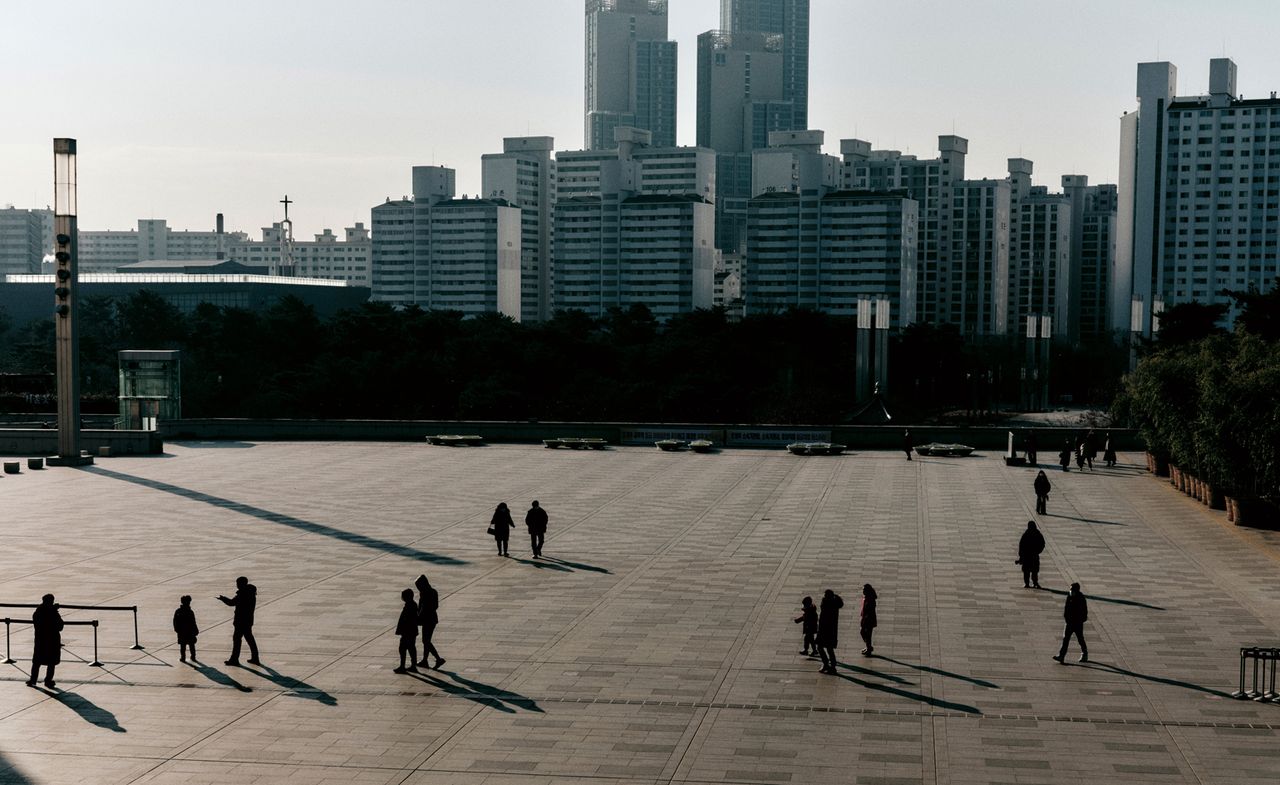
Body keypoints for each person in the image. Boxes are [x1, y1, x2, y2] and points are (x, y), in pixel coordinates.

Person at [218, 576, 260, 666]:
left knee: (237, 640)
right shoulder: (251, 593)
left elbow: (231, 603)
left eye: (237, 583)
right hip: (248, 620)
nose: (236, 585)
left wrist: (223, 598)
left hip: (241, 621)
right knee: (249, 639)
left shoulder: (242, 594)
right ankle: (255, 657)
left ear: (241, 584)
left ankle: (234, 659)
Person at [27, 594, 63, 688]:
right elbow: (60, 626)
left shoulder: (38, 612)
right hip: (52, 640)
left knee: (37, 662)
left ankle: (33, 679)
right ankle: (48, 680)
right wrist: (54, 610)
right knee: (51, 662)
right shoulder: (53, 613)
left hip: (41, 640)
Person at [415, 574, 446, 670]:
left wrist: (421, 615)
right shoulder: (430, 592)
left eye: (418, 586)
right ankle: (425, 660)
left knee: (426, 640)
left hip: (429, 619)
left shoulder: (428, 593)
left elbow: (426, 607)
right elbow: (433, 606)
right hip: (430, 619)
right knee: (426, 640)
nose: (418, 588)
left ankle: (438, 659)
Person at [1053, 582, 1089, 663]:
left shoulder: (1081, 598)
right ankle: (1061, 656)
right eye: (1070, 589)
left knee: (1080, 638)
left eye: (1072, 589)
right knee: (1065, 639)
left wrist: (1080, 621)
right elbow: (1066, 608)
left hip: (1077, 623)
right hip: (1069, 622)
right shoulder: (1069, 596)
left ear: (1076, 590)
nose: (1070, 590)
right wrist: (1066, 618)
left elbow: (1084, 612)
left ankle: (1084, 653)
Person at [816, 589, 844, 674]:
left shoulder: (828, 605)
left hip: (825, 630)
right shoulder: (834, 604)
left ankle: (827, 665)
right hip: (831, 630)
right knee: (829, 649)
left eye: (825, 596)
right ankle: (831, 666)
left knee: (822, 647)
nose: (823, 597)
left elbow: (824, 618)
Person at [394, 588, 419, 674]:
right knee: (410, 648)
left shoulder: (410, 606)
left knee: (404, 648)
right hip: (411, 631)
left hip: (408, 632)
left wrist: (402, 630)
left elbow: (407, 620)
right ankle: (412, 665)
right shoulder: (411, 604)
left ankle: (404, 666)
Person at [1017, 521, 1046, 588]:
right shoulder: (1034, 534)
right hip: (1031, 556)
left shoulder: (1027, 534)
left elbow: (1021, 546)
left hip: (1030, 555)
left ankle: (1030, 583)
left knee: (1031, 570)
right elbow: (1042, 544)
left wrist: (1021, 555)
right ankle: (1031, 583)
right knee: (1032, 570)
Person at [173, 595, 199, 663]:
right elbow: (193, 622)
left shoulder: (178, 611)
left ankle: (183, 657)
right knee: (191, 645)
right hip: (189, 631)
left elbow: (175, 621)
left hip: (181, 632)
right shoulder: (190, 612)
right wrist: (195, 630)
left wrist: (177, 629)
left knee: (183, 645)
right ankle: (193, 656)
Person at [859, 584, 878, 656]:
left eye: (864, 590)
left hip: (869, 619)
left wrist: (864, 619)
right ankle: (868, 647)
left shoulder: (870, 599)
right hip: (865, 618)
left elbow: (869, 611)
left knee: (867, 634)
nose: (863, 591)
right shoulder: (866, 597)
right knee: (864, 633)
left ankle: (869, 648)